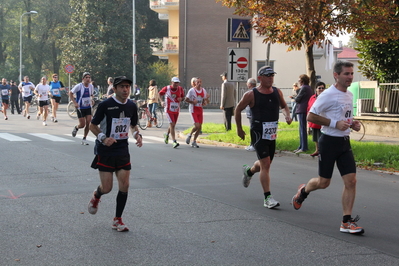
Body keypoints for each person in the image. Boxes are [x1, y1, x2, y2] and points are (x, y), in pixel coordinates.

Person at [292, 61, 365, 235]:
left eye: (351, 73)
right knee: (323, 183)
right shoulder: (327, 94)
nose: (350, 77)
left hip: (344, 142)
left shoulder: (348, 94)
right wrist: (334, 123)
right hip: (329, 142)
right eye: (346, 74)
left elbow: (344, 117)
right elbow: (311, 116)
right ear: (336, 75)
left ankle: (346, 222)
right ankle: (304, 190)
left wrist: (352, 124)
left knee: (351, 181)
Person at [88, 76, 143, 232]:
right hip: (105, 150)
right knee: (107, 188)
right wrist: (103, 138)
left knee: (125, 185)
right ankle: (97, 195)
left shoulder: (132, 106)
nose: (125, 89)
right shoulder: (106, 105)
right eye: (122, 87)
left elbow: (133, 125)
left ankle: (117, 220)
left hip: (122, 149)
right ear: (114, 88)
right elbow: (93, 125)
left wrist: (137, 135)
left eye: (127, 87)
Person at [235, 66, 292, 209]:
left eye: (272, 75)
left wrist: (287, 115)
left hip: (271, 131)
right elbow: (237, 109)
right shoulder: (251, 94)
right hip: (258, 131)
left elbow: (284, 106)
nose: (271, 78)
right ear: (260, 78)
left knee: (265, 163)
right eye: (267, 76)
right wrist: (239, 129)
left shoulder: (277, 92)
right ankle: (268, 198)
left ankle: (249, 172)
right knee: (266, 164)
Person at [159, 77, 185, 148]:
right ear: (171, 82)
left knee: (172, 125)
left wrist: (181, 99)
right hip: (168, 109)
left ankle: (167, 134)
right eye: (175, 82)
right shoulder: (167, 88)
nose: (176, 84)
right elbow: (159, 94)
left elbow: (183, 97)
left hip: (176, 110)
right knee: (172, 124)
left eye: (177, 83)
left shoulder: (180, 89)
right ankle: (174, 141)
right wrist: (161, 101)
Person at [69, 72, 94, 145]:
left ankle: (84, 138)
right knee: (82, 124)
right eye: (86, 77)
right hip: (80, 107)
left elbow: (91, 95)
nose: (88, 79)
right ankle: (76, 127)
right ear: (83, 79)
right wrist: (74, 102)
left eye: (89, 77)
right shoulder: (79, 86)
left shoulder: (91, 86)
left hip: (88, 106)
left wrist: (92, 100)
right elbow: (70, 93)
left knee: (88, 123)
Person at [185, 77, 209, 148]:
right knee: (197, 125)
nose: (199, 83)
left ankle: (194, 141)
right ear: (195, 83)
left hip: (200, 109)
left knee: (199, 127)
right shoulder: (191, 91)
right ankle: (190, 134)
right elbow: (186, 99)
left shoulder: (203, 90)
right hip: (193, 109)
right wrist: (192, 102)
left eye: (200, 82)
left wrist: (206, 100)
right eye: (197, 82)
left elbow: (205, 101)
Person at [294, 74, 313, 154]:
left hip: (302, 109)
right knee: (302, 128)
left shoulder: (304, 88)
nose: (298, 82)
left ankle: (303, 147)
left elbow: (298, 99)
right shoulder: (309, 88)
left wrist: (294, 98)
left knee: (302, 129)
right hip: (306, 109)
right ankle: (301, 146)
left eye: (299, 80)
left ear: (302, 81)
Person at [307, 81, 326, 157]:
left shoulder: (326, 97)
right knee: (315, 137)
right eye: (319, 88)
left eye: (323, 88)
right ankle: (317, 150)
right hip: (314, 121)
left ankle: (323, 151)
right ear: (316, 89)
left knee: (322, 138)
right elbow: (309, 108)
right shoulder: (312, 98)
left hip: (323, 120)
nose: (321, 89)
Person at [244, 78, 257, 151]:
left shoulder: (251, 92)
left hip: (252, 114)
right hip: (252, 114)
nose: (247, 85)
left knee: (253, 129)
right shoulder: (256, 91)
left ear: (250, 84)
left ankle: (253, 144)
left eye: (247, 83)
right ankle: (253, 144)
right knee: (254, 129)